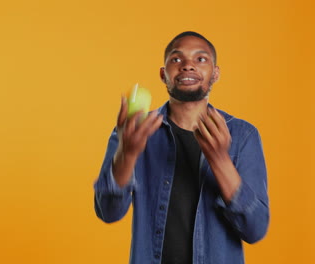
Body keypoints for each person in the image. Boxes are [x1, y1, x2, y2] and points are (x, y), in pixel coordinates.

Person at [93, 31, 269, 264]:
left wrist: (220, 160)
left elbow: (255, 229)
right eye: (176, 59)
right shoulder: (133, 132)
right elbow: (108, 212)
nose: (187, 66)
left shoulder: (243, 135)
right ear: (163, 74)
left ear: (215, 73)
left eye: (201, 59)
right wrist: (127, 154)